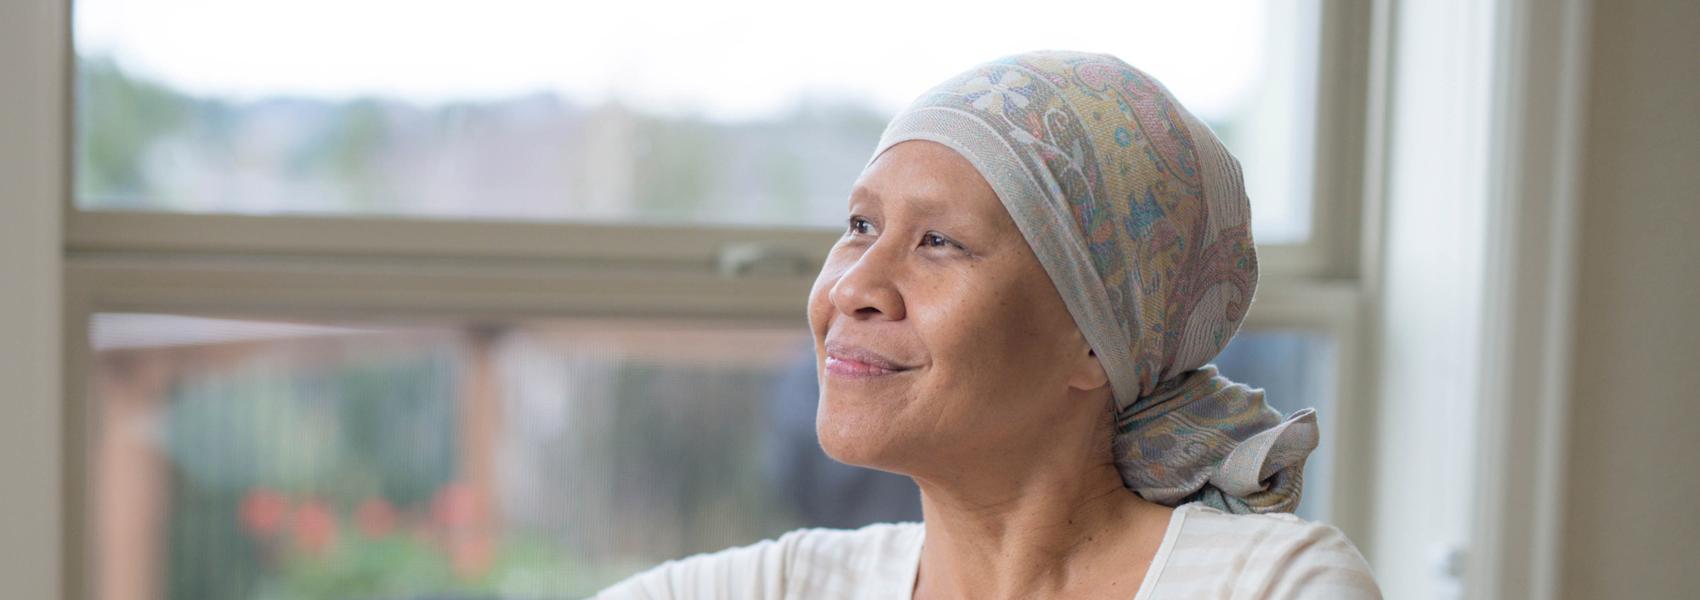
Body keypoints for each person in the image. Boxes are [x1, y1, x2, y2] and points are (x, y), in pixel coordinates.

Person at [596, 50, 1380, 599]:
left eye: (939, 242)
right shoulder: (772, 588)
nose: (854, 287)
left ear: (1092, 337)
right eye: (861, 226)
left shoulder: (1273, 587)